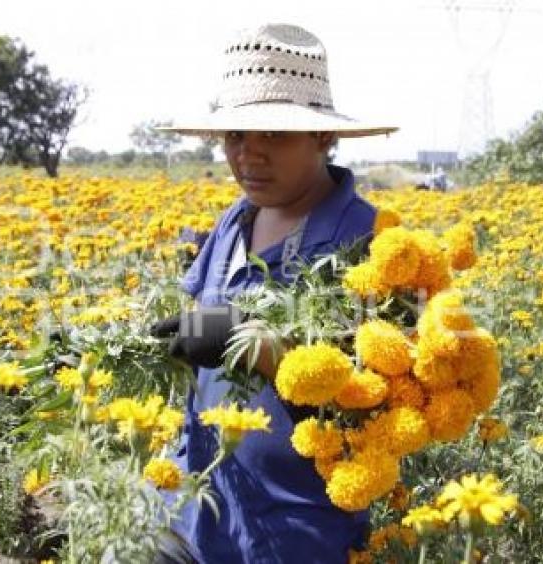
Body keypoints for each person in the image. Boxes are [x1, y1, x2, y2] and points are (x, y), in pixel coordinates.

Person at [148, 24, 398, 563]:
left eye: (275, 136)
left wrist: (248, 341)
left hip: (293, 531)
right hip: (193, 506)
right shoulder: (233, 221)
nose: (250, 155)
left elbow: (390, 386)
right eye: (236, 135)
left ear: (323, 138)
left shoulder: (375, 243)